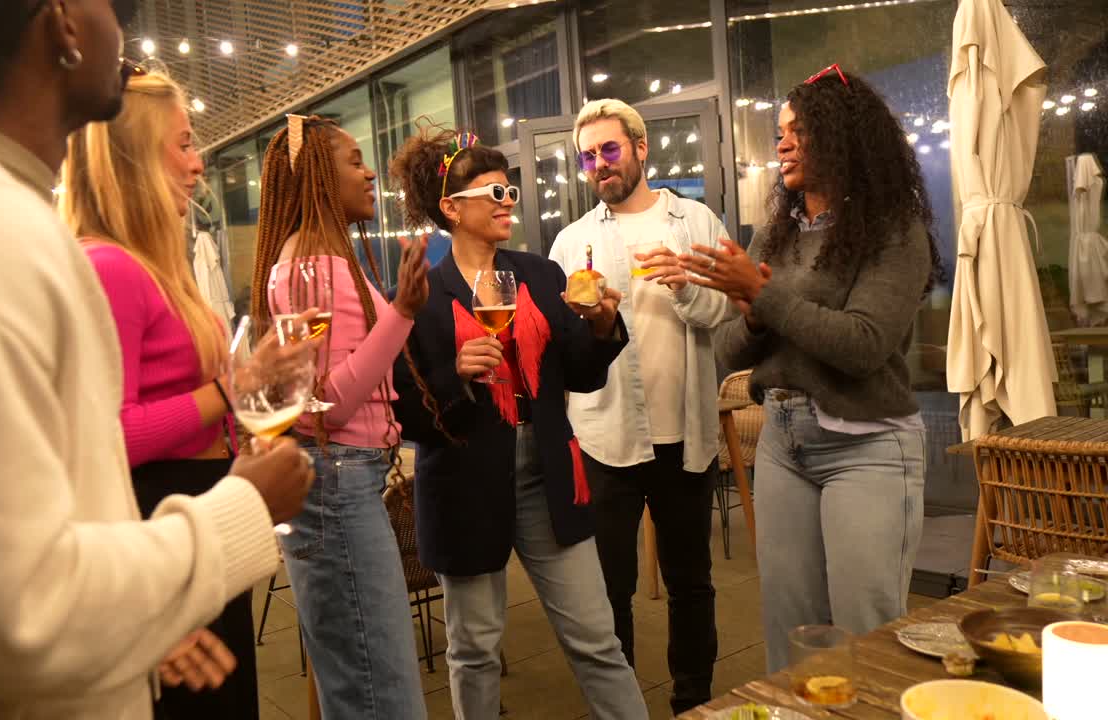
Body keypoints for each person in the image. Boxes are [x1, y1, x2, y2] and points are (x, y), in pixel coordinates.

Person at [0, 1, 314, 717]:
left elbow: (42, 503)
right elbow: (12, 615)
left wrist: (137, 621)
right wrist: (244, 509)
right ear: (61, 23)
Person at [680, 66, 942, 673]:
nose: (783, 142)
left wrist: (764, 298)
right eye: (780, 131)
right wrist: (751, 315)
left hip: (868, 445)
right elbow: (726, 353)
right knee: (793, 637)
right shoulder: (775, 235)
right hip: (782, 444)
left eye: (800, 129)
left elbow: (865, 344)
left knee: (865, 640)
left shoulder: (895, 233)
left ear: (843, 137)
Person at [389, 124, 648, 720]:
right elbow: (407, 413)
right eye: (493, 195)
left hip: (549, 472)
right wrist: (455, 374)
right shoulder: (420, 294)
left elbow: (579, 376)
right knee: (475, 648)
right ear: (451, 209)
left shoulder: (538, 274)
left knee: (596, 637)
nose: (508, 204)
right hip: (464, 482)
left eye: (510, 193)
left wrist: (604, 327)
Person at [59, 67, 263, 719]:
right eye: (183, 144)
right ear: (137, 158)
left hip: (195, 518)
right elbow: (103, 438)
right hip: (160, 524)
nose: (198, 165)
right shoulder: (110, 266)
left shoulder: (145, 264)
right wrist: (231, 394)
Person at [547, 98, 731, 714]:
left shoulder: (698, 221)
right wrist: (585, 324)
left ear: (641, 149)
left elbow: (724, 317)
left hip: (685, 435)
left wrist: (684, 287)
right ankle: (619, 706)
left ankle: (693, 701)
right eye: (588, 156)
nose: (599, 164)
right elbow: (562, 351)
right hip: (606, 436)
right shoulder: (572, 242)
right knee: (609, 591)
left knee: (690, 582)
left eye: (610, 149)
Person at [248, 114, 431, 720]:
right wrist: (402, 311)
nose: (370, 170)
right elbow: (324, 402)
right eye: (354, 160)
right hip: (337, 483)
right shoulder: (310, 267)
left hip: (345, 479)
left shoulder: (321, 260)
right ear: (319, 179)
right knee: (383, 693)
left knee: (360, 683)